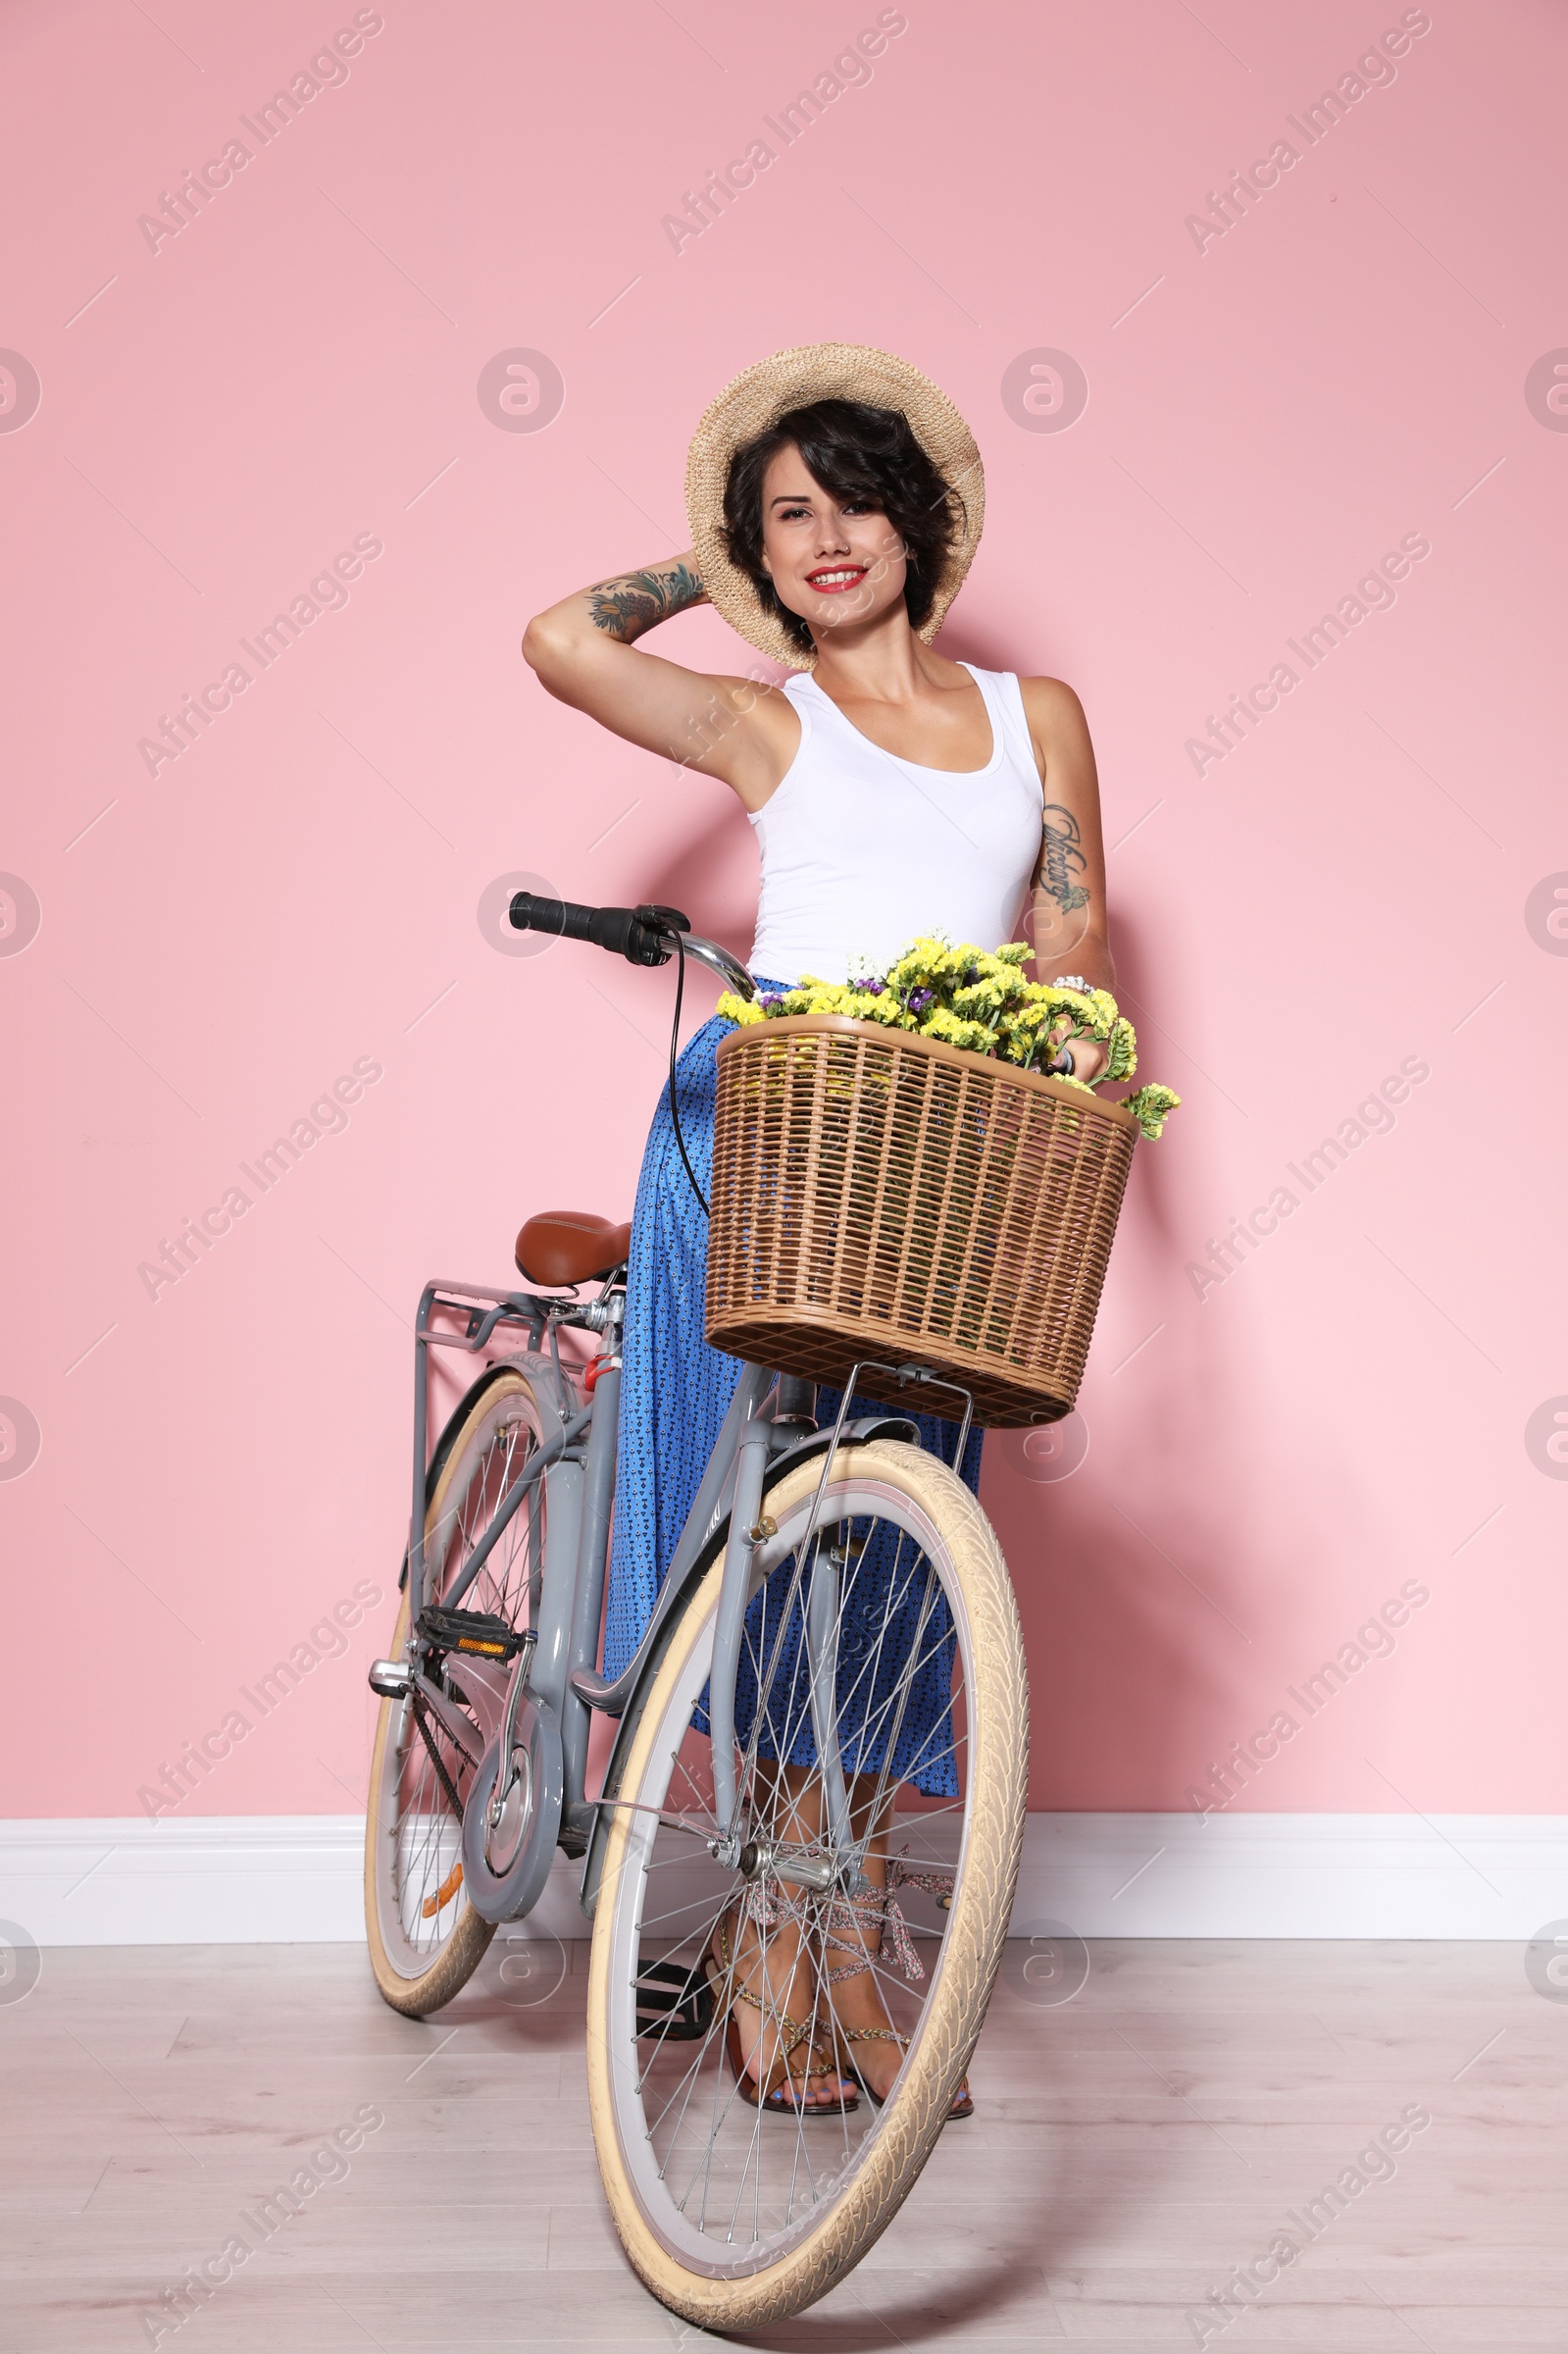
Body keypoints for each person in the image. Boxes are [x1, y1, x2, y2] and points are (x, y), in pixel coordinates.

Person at [523, 341, 1116, 2116]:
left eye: (855, 498)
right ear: (759, 560)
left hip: (933, 1160)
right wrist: (712, 560)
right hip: (767, 1138)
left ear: (921, 521)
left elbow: (1068, 936)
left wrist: (1061, 1069)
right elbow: (563, 640)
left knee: (893, 1545)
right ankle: (781, 1946)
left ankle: (832, 1927)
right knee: (759, 1534)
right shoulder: (763, 718)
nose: (829, 537)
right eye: (790, 517)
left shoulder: (1041, 716)